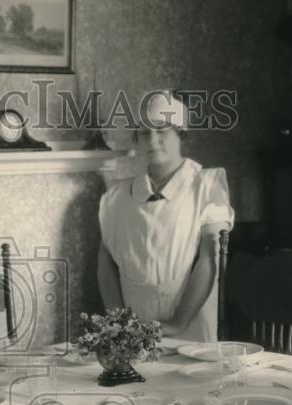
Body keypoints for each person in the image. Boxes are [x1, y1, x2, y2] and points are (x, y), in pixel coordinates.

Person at [97, 91, 234, 341]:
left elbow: (210, 257)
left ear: (181, 134)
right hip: (133, 322)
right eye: (145, 133)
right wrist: (119, 321)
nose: (153, 140)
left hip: (189, 319)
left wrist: (177, 323)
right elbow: (105, 261)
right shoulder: (118, 196)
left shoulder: (206, 187)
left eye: (163, 131)